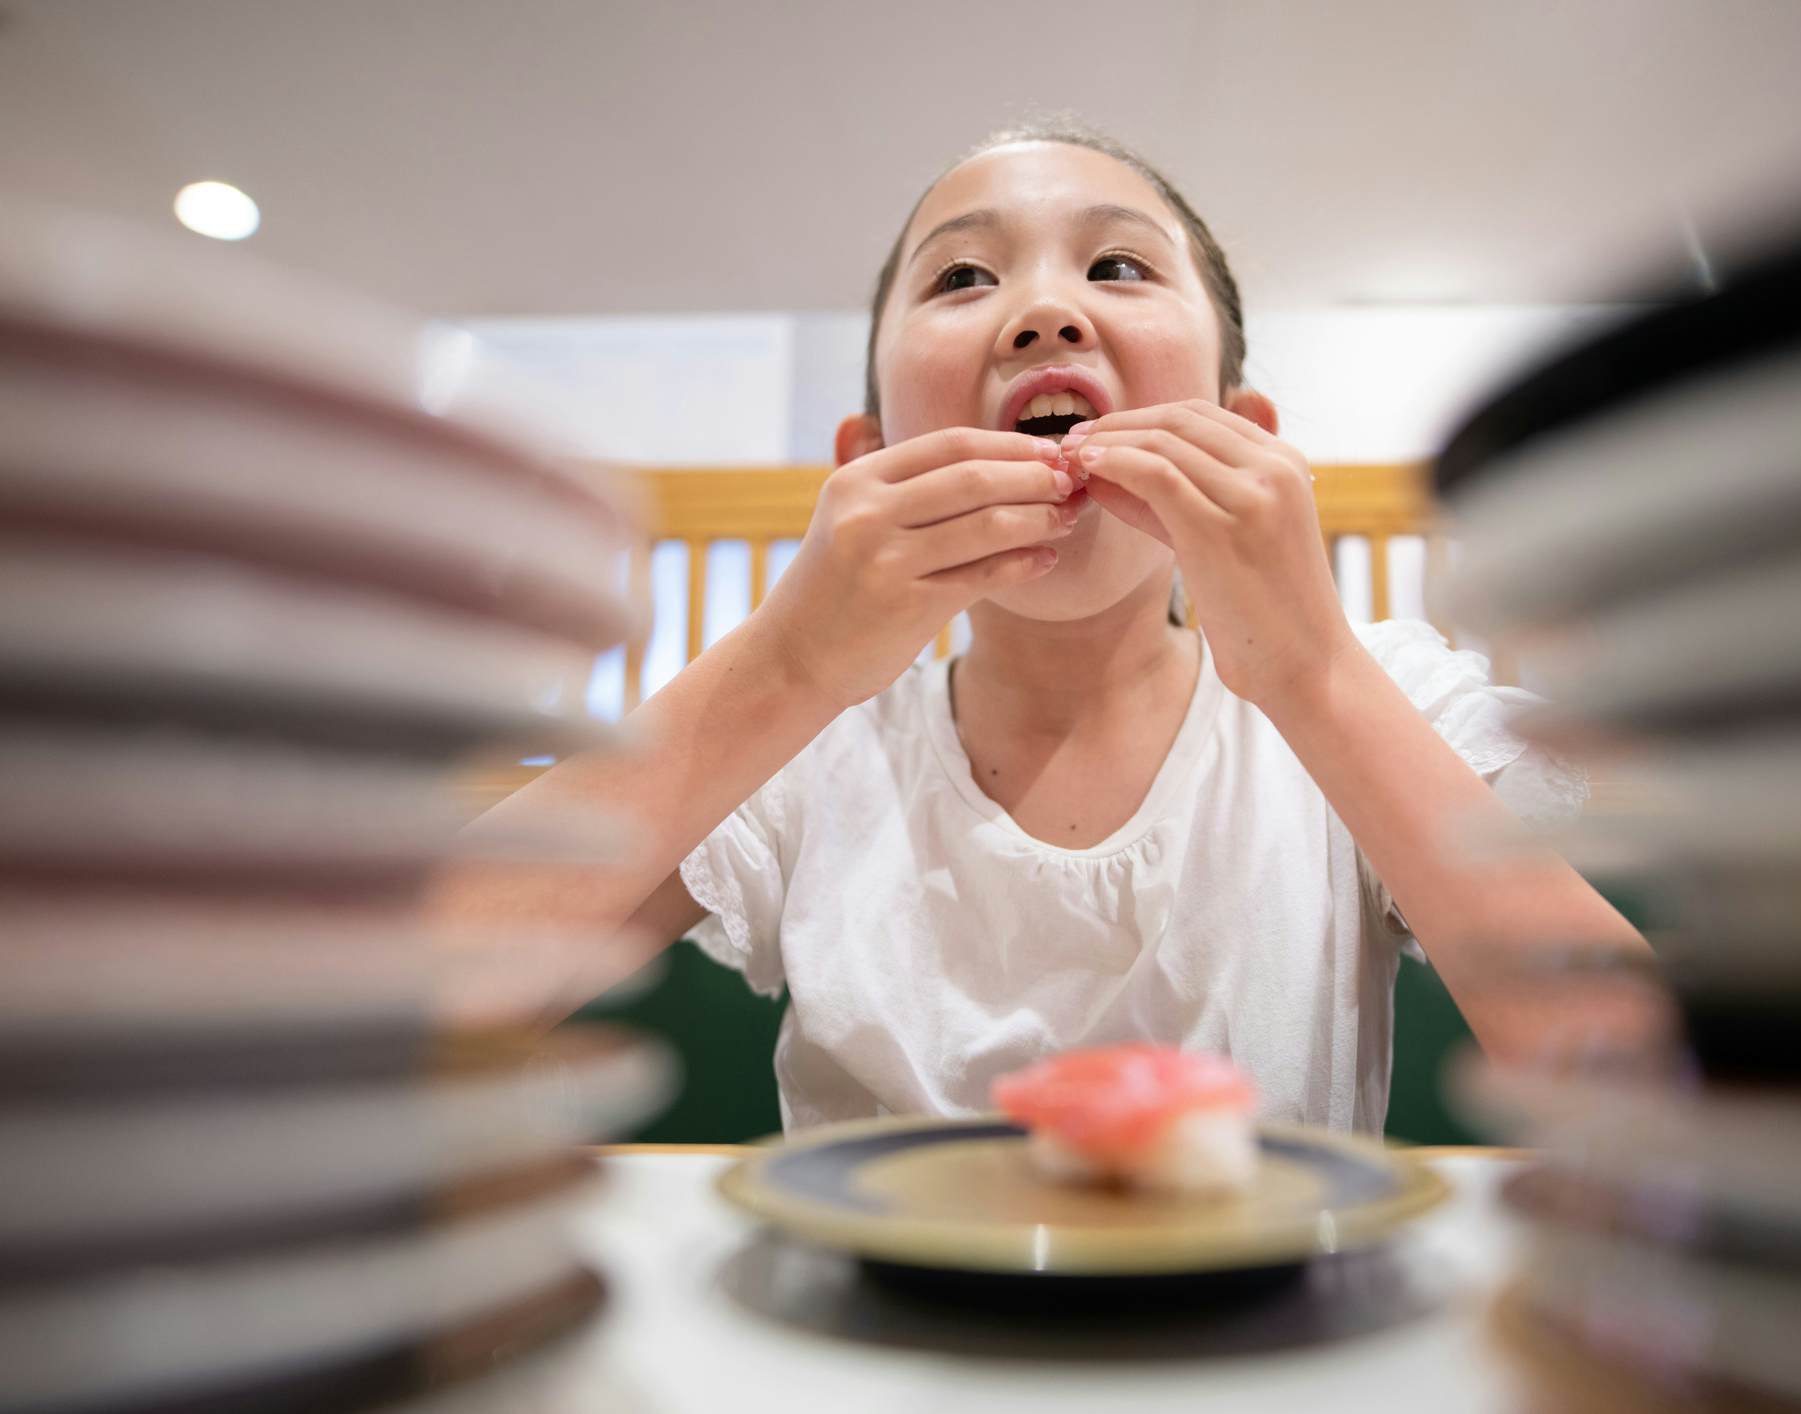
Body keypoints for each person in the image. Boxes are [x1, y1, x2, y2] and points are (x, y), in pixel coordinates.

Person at [435, 122, 1654, 1133]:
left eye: (1118, 269)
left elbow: (1649, 1092)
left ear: (1249, 436)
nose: (1043, 315)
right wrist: (788, 663)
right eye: (964, 278)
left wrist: (1313, 671)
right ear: (870, 460)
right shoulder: (808, 745)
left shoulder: (1382, 692)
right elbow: (395, 1018)